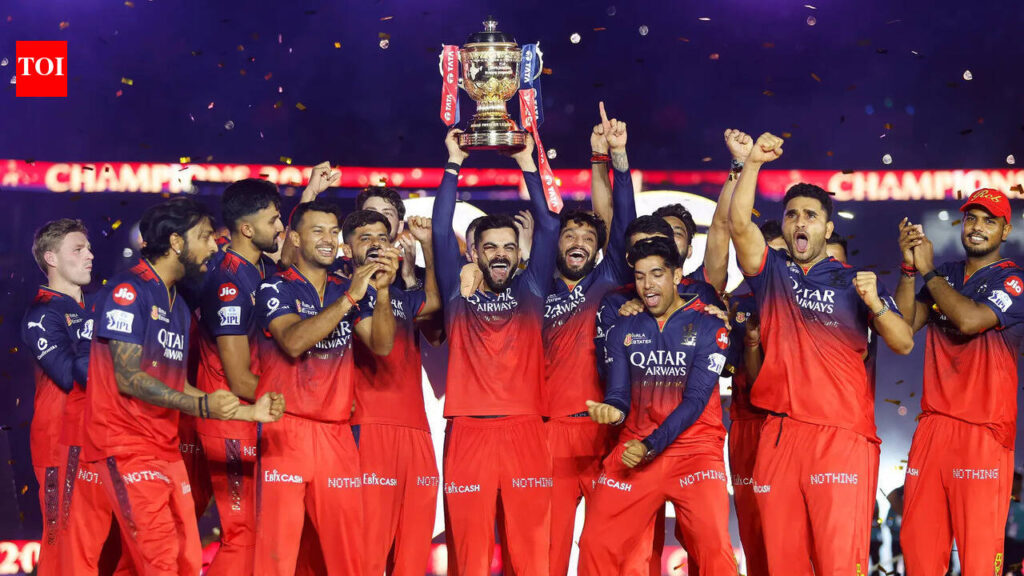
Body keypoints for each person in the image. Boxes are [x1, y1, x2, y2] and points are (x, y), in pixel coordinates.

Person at [727, 132, 914, 576]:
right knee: (782, 565)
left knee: (837, 565)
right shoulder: (772, 274)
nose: (800, 222)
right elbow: (739, 227)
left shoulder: (854, 281)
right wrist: (752, 164)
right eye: (792, 214)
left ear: (827, 230)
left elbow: (903, 341)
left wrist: (875, 304)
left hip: (839, 438)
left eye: (810, 215)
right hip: (779, 436)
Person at [83, 198, 284, 575]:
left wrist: (248, 412)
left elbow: (177, 383)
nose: (214, 246)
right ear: (176, 242)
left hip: (165, 447)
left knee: (185, 558)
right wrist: (203, 407)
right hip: (124, 445)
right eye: (205, 237)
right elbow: (129, 378)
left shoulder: (176, 303)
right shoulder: (129, 291)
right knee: (161, 558)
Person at [432, 128, 558, 575]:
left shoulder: (532, 288)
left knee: (531, 557)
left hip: (526, 430)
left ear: (519, 253)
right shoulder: (456, 290)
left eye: (508, 246)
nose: (500, 254)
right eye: (490, 247)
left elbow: (550, 225)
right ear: (474, 252)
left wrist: (527, 163)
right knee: (469, 556)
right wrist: (454, 162)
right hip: (468, 431)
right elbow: (440, 227)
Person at [254, 199, 398, 576]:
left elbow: (381, 344)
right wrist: (351, 298)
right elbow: (293, 341)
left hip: (336, 435)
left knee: (349, 557)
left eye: (334, 232)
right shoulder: (275, 286)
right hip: (286, 431)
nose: (328, 240)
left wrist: (382, 292)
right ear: (295, 238)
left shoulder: (344, 287)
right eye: (318, 231)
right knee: (277, 557)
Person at [577, 236, 736, 575]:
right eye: (639, 276)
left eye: (656, 274)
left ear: (677, 275)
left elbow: (695, 400)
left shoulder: (710, 326)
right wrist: (613, 411)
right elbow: (619, 393)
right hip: (634, 450)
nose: (647, 284)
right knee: (594, 544)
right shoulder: (622, 327)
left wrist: (650, 445)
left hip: (693, 452)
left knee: (713, 548)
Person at [895, 188, 1024, 575]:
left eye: (989, 221)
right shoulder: (946, 274)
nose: (977, 227)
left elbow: (970, 320)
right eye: (971, 218)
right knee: (919, 553)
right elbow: (903, 330)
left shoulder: (1014, 281)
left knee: (979, 561)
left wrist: (928, 272)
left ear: (1005, 231)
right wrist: (908, 270)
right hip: (933, 427)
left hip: (983, 432)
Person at [543, 103, 636, 576]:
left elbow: (624, 226)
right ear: (556, 244)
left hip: (605, 432)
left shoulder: (606, 282)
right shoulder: (533, 290)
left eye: (587, 237)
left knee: (605, 557)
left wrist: (616, 159)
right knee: (547, 556)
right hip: (550, 437)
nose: (578, 241)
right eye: (569, 235)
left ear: (598, 250)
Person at [194, 178, 285, 575]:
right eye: (273, 220)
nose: (280, 227)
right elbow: (238, 379)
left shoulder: (259, 268)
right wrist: (301, 403)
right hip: (230, 419)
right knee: (243, 535)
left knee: (260, 534)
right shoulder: (228, 282)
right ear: (246, 229)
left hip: (254, 418)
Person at [346, 210, 442, 576]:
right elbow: (380, 346)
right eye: (365, 238)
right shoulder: (344, 294)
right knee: (369, 553)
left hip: (416, 432)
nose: (375, 244)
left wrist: (428, 246)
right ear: (347, 249)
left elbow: (433, 303)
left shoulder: (402, 295)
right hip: (370, 428)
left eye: (381, 238)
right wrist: (382, 290)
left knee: (413, 553)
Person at [21, 219, 94, 575]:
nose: (90, 256)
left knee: (96, 542)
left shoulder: (92, 308)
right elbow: (67, 375)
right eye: (78, 250)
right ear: (51, 258)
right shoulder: (42, 312)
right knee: (62, 542)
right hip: (59, 443)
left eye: (89, 248)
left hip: (98, 438)